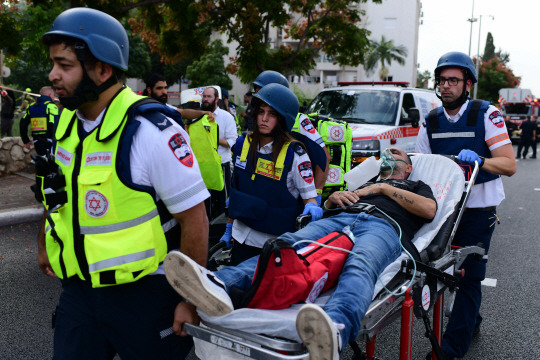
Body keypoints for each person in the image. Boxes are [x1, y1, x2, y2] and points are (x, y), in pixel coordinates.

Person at [39, 8, 209, 359]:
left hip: (144, 298)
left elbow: (195, 220)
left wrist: (191, 300)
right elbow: (58, 192)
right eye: (54, 64)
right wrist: (44, 240)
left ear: (102, 68)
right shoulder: (66, 126)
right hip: (79, 294)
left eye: (65, 65)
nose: (53, 75)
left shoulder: (151, 131)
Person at [164, 146, 437, 360]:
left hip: (384, 227)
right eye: (386, 154)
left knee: (361, 265)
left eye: (396, 154)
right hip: (342, 219)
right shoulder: (365, 183)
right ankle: (219, 283)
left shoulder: (416, 186)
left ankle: (336, 329)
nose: (389, 155)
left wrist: (381, 188)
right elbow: (331, 203)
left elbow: (429, 210)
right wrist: (332, 199)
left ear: (408, 167)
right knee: (288, 245)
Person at [415, 51, 516, 360]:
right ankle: (472, 319)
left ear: (467, 84)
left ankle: (449, 351)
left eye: (453, 80)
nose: (446, 86)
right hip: (445, 210)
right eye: (442, 80)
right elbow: (421, 166)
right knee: (444, 273)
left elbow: (509, 164)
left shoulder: (486, 114)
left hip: (478, 210)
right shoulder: (430, 120)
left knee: (470, 276)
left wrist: (482, 160)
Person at [218, 83, 323, 265]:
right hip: (241, 239)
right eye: (261, 112)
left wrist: (313, 206)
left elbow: (309, 200)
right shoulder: (243, 145)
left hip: (275, 248)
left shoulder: (296, 155)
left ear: (283, 119)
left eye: (272, 114)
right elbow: (237, 191)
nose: (264, 119)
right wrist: (229, 227)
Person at [201, 86, 238, 218]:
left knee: (221, 203)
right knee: (204, 203)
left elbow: (232, 141)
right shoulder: (198, 116)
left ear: (216, 99)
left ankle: (221, 234)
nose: (205, 99)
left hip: (221, 165)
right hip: (203, 166)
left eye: (208, 97)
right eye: (204, 96)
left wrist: (213, 139)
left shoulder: (226, 117)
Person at [145, 72, 214, 122]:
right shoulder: (142, 108)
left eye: (165, 88)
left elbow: (183, 112)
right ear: (149, 90)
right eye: (159, 88)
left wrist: (202, 113)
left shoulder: (166, 107)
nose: (164, 92)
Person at [19, 86, 60, 156]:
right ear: (50, 95)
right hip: (50, 142)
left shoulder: (31, 107)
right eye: (53, 95)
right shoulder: (51, 106)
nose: (54, 97)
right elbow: (54, 124)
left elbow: (23, 123)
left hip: (37, 141)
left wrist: (25, 140)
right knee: (52, 164)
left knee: (42, 162)